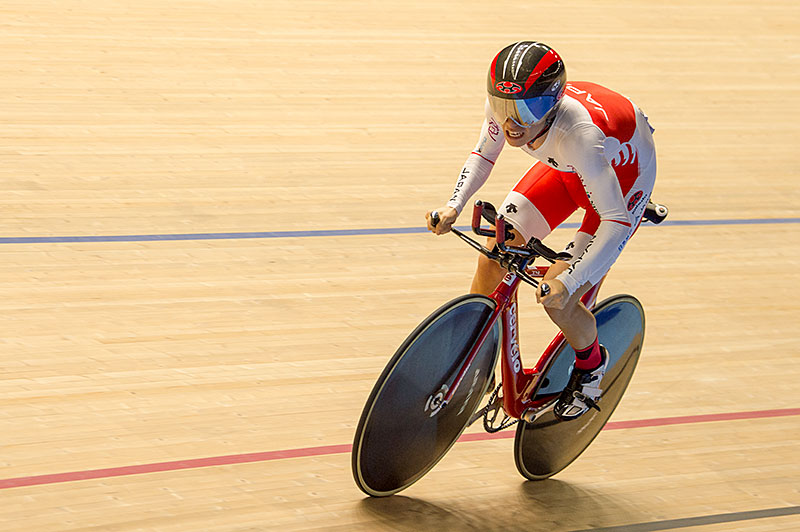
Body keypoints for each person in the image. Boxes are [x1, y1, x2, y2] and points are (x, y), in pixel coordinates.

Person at [425, 41, 657, 420]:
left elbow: (615, 221)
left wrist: (572, 278)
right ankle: (473, 360)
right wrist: (453, 204)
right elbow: (483, 155)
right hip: (567, 170)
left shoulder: (580, 135)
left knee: (558, 299)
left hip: (620, 185)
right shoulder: (509, 111)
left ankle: (591, 367)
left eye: (525, 110)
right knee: (494, 252)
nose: (511, 123)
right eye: (502, 108)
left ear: (551, 103)